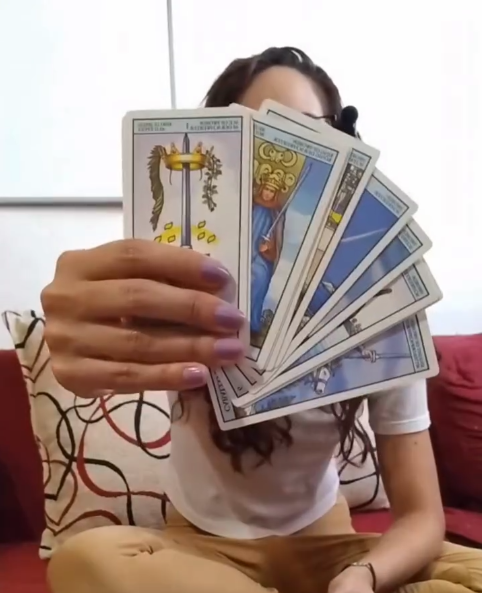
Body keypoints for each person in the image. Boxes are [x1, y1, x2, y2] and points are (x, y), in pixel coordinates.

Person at [43, 47, 481, 593]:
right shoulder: (181, 276)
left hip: (328, 549)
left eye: (306, 132)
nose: (280, 162)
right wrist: (81, 344)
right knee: (83, 560)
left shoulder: (378, 294)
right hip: (201, 553)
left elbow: (421, 518)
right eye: (255, 135)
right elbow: (98, 345)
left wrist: (361, 577)